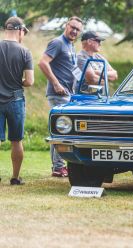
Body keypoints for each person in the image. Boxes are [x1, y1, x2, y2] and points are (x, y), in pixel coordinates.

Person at [38, 16, 83, 177]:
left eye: (78, 29)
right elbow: (43, 63)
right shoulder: (57, 43)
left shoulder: (71, 46)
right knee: (60, 131)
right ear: (66, 25)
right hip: (57, 94)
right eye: (73, 27)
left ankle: (60, 165)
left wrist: (82, 84)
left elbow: (72, 69)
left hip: (69, 95)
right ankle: (58, 167)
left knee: (65, 131)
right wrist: (56, 83)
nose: (74, 31)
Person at [0, 16, 34, 185]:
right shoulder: (24, 52)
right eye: (24, 33)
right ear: (20, 30)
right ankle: (15, 177)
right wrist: (16, 82)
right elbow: (30, 81)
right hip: (16, 100)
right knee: (16, 140)